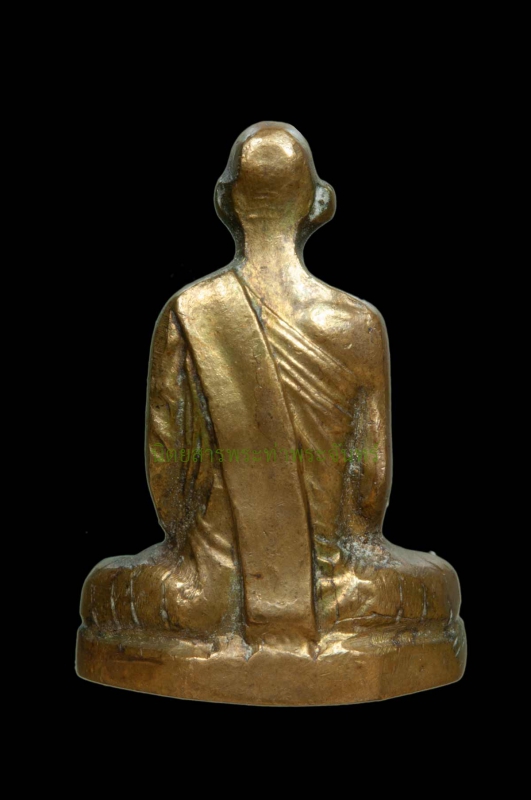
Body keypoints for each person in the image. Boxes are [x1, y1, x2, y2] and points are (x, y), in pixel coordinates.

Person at [80, 122, 461, 653]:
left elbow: (166, 477)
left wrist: (198, 549)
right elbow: (370, 487)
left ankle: (226, 612)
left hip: (205, 591)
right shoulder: (358, 324)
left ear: (226, 200)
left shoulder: (187, 311)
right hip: (337, 592)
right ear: (318, 203)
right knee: (434, 587)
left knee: (107, 591)